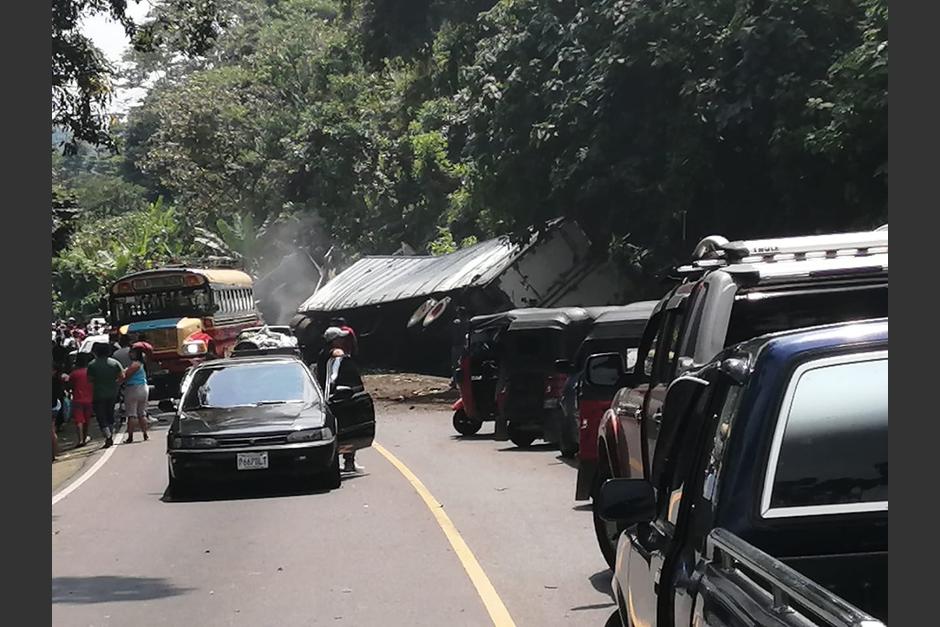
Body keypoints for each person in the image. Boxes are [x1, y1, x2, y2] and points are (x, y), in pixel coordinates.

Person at [317, 327, 363, 473]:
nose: (343, 341)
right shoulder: (332, 355)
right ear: (333, 340)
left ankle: (349, 462)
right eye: (340, 338)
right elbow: (333, 372)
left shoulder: (330, 355)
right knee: (344, 430)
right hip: (336, 398)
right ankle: (345, 462)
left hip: (339, 396)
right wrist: (341, 355)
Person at [87, 343, 124, 448]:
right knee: (110, 414)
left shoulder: (92, 365)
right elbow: (122, 376)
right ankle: (110, 433)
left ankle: (108, 436)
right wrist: (116, 384)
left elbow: (90, 380)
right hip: (112, 393)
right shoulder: (115, 363)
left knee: (101, 417)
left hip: (98, 394)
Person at [120, 347, 150, 443]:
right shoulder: (141, 364)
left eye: (132, 353)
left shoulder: (135, 364)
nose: (130, 354)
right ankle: (145, 434)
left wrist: (121, 377)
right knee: (142, 413)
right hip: (143, 388)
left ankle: (130, 437)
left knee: (131, 414)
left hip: (133, 388)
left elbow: (126, 376)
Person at [68, 353, 94, 446]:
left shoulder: (74, 374)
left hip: (77, 399)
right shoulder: (90, 372)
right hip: (89, 399)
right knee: (87, 420)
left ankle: (80, 440)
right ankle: (85, 437)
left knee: (79, 420)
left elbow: (70, 385)